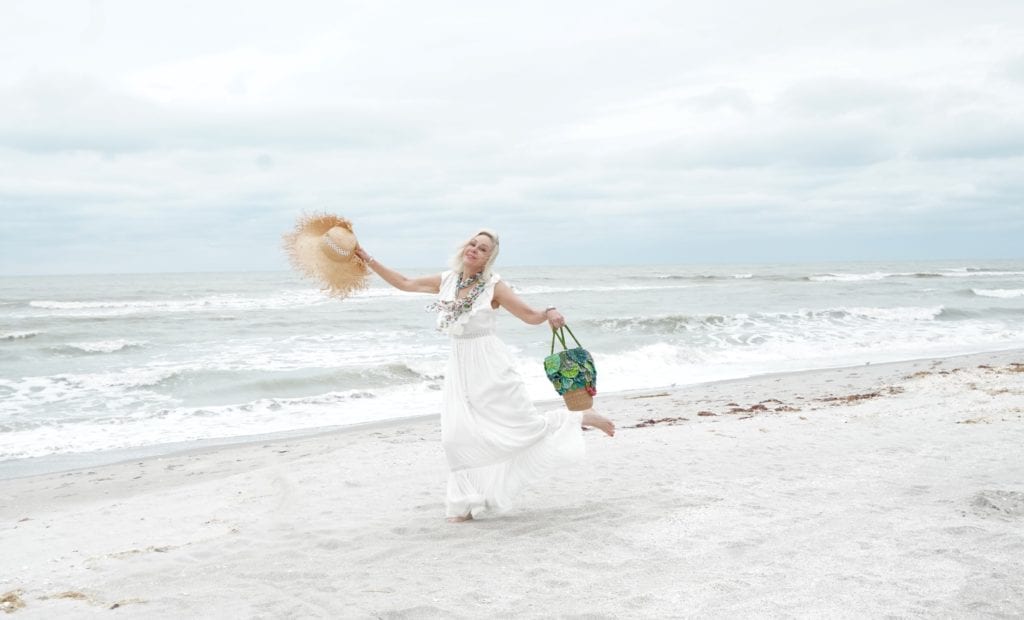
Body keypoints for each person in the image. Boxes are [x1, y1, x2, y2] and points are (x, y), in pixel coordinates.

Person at [354, 229, 614, 522]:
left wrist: (549, 312)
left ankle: (579, 417)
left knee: (521, 426)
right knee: (455, 437)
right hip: (460, 367)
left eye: (483, 249)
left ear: (489, 258)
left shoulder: (494, 286)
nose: (475, 249)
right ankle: (465, 502)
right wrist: (368, 259)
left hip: (491, 365)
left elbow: (528, 315)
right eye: (473, 244)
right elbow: (404, 283)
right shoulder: (447, 280)